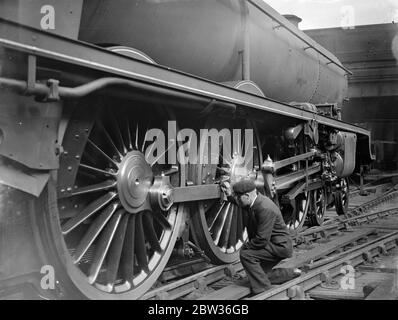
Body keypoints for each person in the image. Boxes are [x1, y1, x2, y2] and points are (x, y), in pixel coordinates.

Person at [222, 179, 300, 295]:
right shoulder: (254, 201)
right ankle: (291, 273)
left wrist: (246, 247)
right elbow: (239, 202)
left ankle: (264, 290)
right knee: (256, 274)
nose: (236, 200)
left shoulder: (264, 208)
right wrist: (229, 194)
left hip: (279, 247)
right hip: (273, 244)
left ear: (247, 196)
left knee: (246, 255)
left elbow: (262, 239)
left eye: (238, 197)